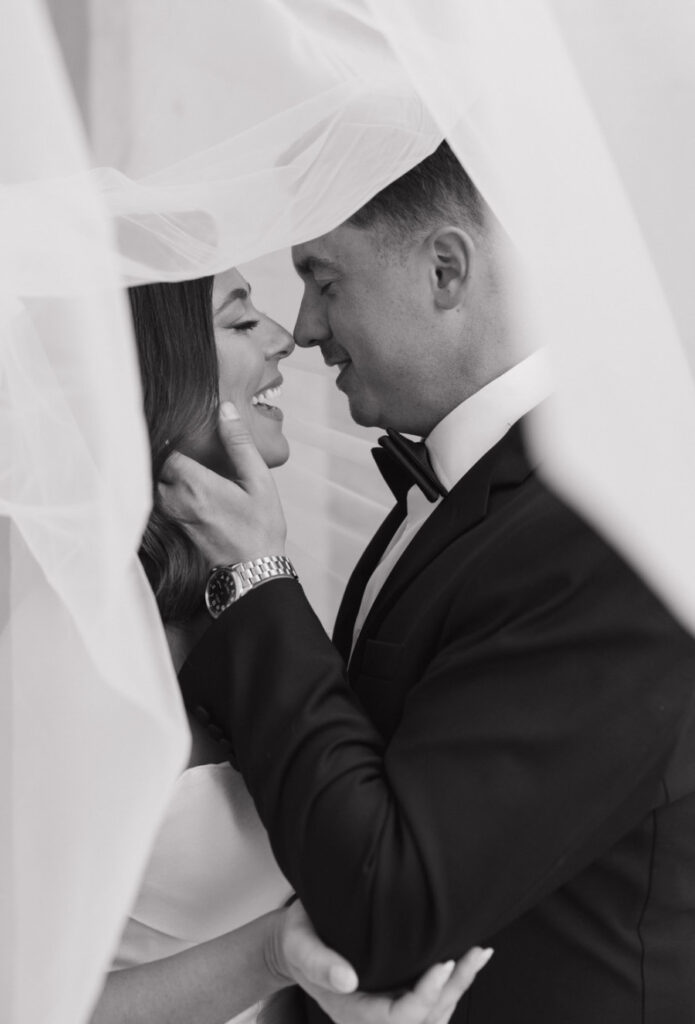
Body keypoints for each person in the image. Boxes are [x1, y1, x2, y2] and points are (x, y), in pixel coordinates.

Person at [160, 143, 695, 1023]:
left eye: (324, 281)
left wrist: (255, 581)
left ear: (445, 268)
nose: (304, 328)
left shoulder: (602, 524)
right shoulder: (463, 496)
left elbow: (386, 903)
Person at [88, 270, 489, 1024]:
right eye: (240, 323)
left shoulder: (234, 600)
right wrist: (274, 955)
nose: (287, 337)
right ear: (149, 372)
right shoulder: (82, 656)